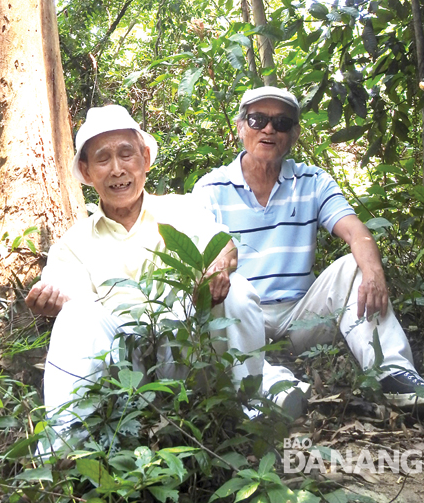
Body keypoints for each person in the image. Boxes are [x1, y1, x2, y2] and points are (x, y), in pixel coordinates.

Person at [25, 105, 301, 450]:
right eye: (102, 159)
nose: (117, 169)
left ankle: (249, 405)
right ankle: (64, 444)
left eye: (126, 154)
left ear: (144, 159)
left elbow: (222, 244)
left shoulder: (180, 209)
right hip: (125, 370)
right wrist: (53, 300)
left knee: (238, 291)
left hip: (189, 352)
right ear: (86, 170)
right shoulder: (73, 242)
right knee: (76, 317)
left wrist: (217, 268)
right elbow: (68, 294)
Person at [193, 86, 424, 408]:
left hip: (301, 316)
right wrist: (220, 264)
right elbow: (207, 241)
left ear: (294, 134)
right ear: (240, 127)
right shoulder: (211, 187)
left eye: (281, 123)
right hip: (243, 313)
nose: (268, 129)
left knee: (354, 267)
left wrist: (374, 274)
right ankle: (266, 386)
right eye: (257, 119)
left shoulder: (313, 181)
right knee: (229, 288)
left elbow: (355, 231)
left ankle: (394, 373)